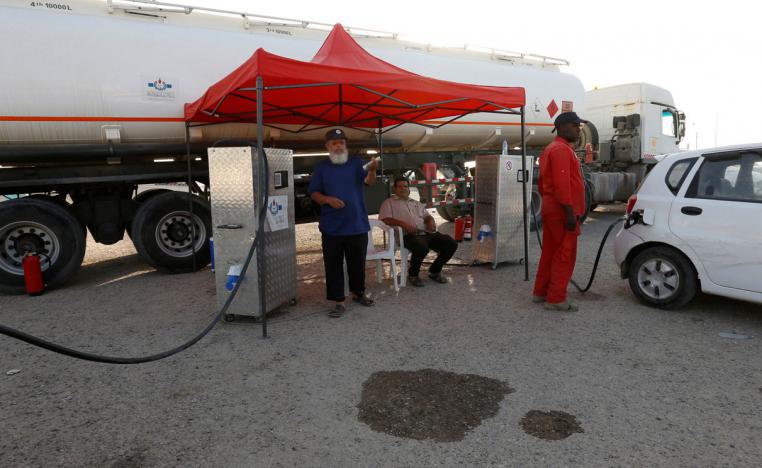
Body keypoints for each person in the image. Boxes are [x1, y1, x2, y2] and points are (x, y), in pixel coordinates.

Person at [308, 129, 378, 317]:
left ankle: (358, 293)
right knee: (333, 265)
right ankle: (338, 301)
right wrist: (328, 200)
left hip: (357, 224)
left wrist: (372, 170)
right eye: (334, 143)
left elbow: (369, 182)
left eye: (341, 142)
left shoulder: (356, 163)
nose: (338, 146)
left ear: (345, 145)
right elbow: (314, 193)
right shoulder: (321, 168)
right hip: (332, 226)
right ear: (328, 146)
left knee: (357, 263)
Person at [532, 112, 588, 311]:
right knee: (564, 254)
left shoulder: (552, 149)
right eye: (575, 125)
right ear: (563, 126)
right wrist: (570, 213)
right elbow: (562, 185)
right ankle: (555, 299)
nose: (578, 129)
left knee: (550, 252)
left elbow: (543, 183)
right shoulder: (561, 150)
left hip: (552, 208)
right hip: (561, 211)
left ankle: (541, 291)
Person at [378, 177, 458, 287]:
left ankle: (434, 271)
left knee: (451, 243)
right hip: (407, 235)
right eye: (399, 186)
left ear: (409, 189)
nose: (403, 189)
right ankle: (413, 275)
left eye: (405, 186)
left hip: (426, 233)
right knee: (421, 247)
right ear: (395, 189)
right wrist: (403, 224)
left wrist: (430, 221)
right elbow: (385, 219)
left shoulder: (415, 203)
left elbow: (427, 216)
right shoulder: (389, 203)